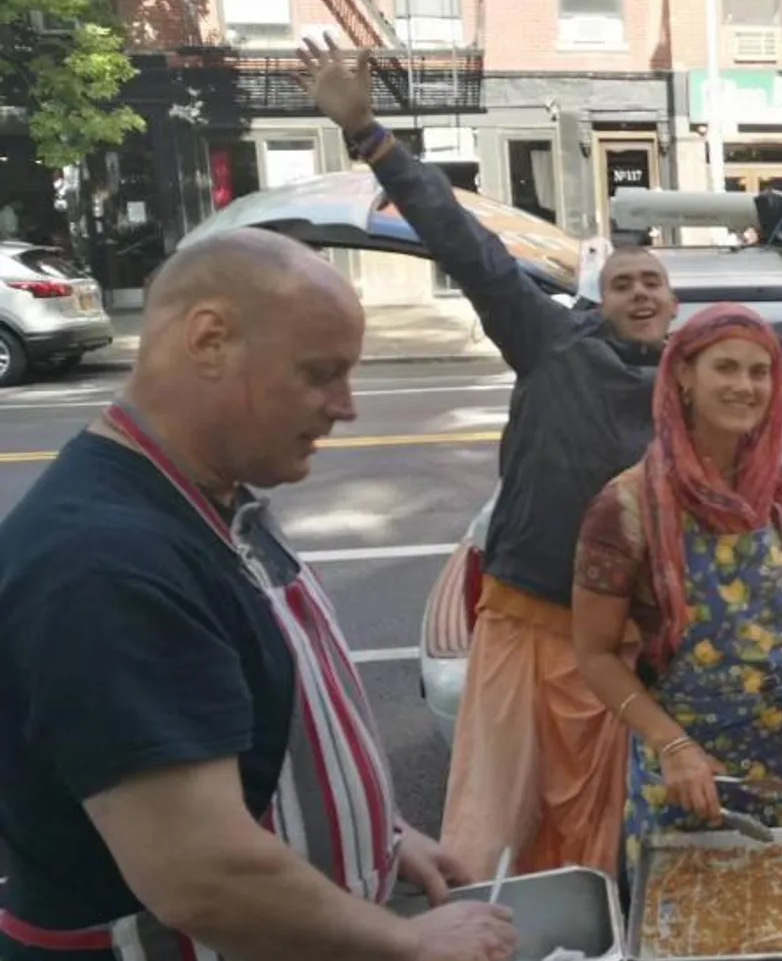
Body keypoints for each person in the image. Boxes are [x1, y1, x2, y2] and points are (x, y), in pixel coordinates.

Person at [296, 35, 782, 878]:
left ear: (675, 307)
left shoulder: (707, 377)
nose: (641, 292)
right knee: (493, 834)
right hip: (529, 625)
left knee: (614, 842)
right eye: (622, 283)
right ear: (597, 299)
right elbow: (465, 245)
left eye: (653, 283)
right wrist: (368, 134)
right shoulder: (550, 342)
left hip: (641, 653)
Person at [0, 230, 515, 961]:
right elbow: (201, 874)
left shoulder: (210, 499)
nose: (346, 406)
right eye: (320, 373)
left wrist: (381, 835)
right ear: (209, 340)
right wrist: (405, 941)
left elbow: (263, 743)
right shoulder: (103, 563)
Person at [570, 304, 782, 869]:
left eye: (759, 372)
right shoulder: (626, 508)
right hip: (699, 782)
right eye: (725, 367)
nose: (745, 386)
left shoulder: (778, 496)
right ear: (684, 375)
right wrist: (672, 744)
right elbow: (595, 655)